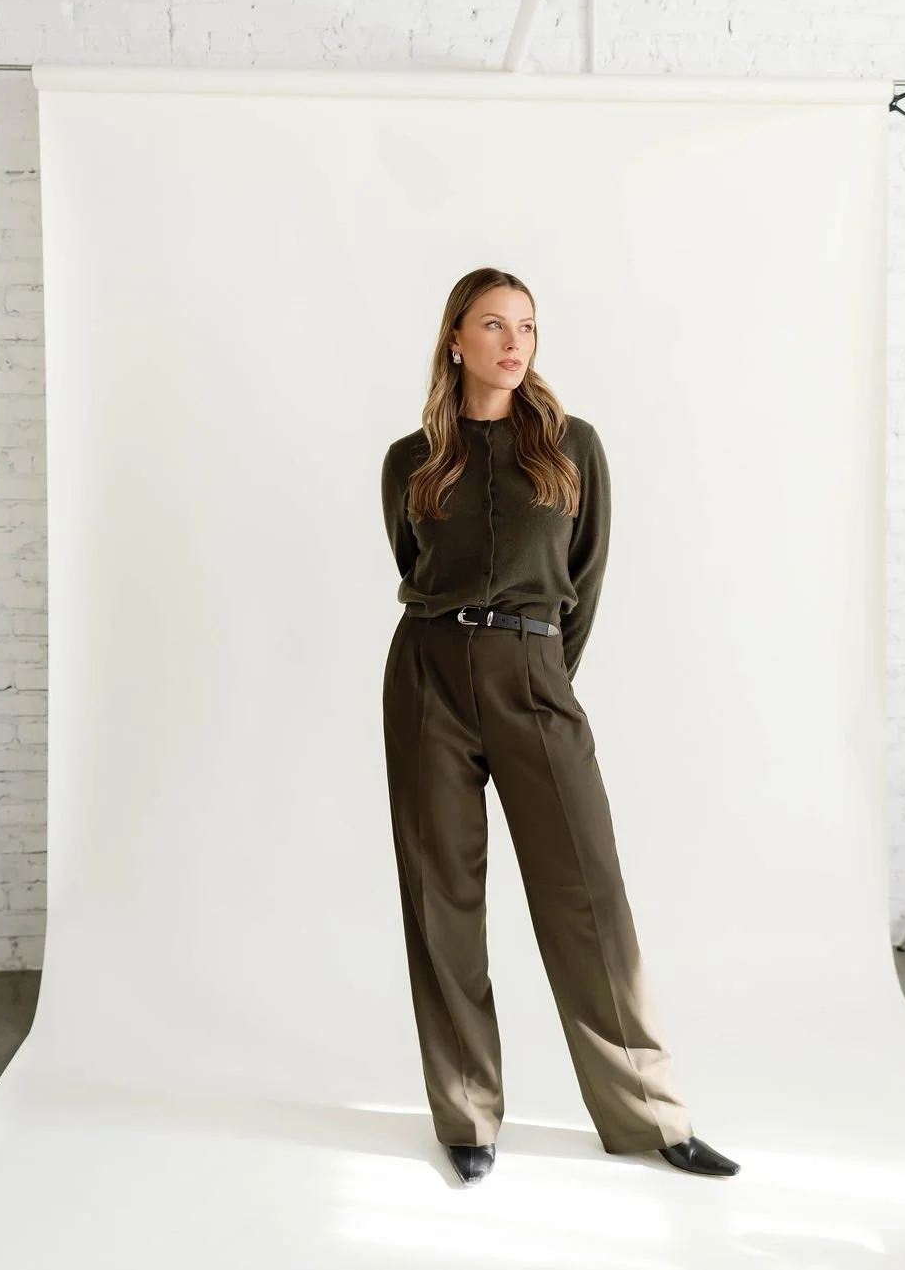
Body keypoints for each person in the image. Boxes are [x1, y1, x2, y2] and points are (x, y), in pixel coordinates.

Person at [380, 267, 740, 1187]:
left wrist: (538, 673)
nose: (514, 342)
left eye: (528, 327)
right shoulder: (410, 461)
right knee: (442, 898)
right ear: (454, 339)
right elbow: (413, 565)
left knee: (590, 896)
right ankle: (466, 1112)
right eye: (493, 325)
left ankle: (650, 1115)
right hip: (426, 675)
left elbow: (585, 577)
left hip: (535, 671)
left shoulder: (573, 447)